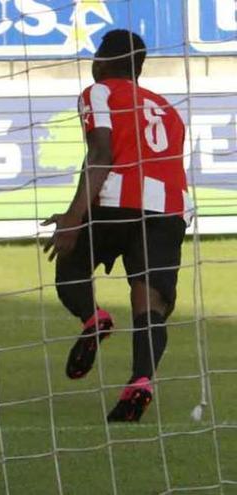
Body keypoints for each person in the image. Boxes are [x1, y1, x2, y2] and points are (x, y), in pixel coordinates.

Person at [42, 30, 191, 422]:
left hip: (115, 202)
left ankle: (94, 318)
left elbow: (102, 152)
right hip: (169, 209)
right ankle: (139, 383)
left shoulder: (99, 92)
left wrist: (73, 218)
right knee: (150, 302)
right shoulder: (167, 109)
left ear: (103, 61)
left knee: (70, 265)